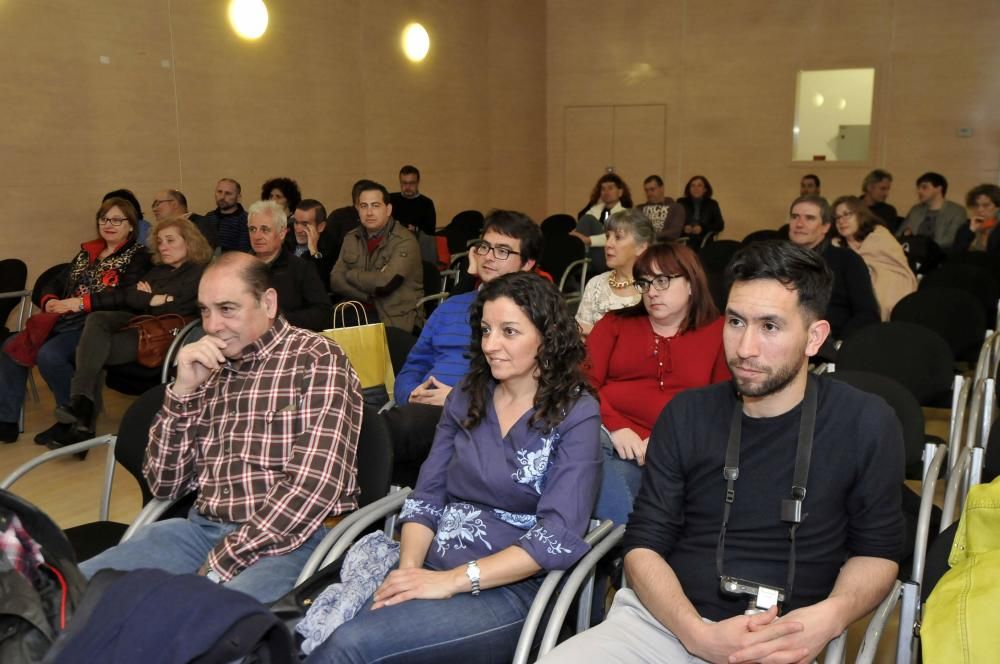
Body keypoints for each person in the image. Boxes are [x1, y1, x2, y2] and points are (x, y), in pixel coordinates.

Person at [538, 241, 904, 664]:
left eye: (770, 326)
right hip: (664, 624)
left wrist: (829, 617)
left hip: (783, 637)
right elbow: (643, 545)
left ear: (814, 337)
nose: (745, 347)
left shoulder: (865, 423)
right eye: (735, 322)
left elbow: (877, 552)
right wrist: (696, 634)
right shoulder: (686, 414)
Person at [305, 272, 602, 664]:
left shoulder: (576, 413)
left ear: (546, 338)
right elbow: (427, 495)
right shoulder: (467, 394)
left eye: (509, 332)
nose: (492, 345)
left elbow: (556, 536)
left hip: (508, 587)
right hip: (428, 562)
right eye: (486, 330)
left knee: (350, 646)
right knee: (324, 630)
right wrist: (409, 573)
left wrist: (447, 582)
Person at [78, 252, 363, 603]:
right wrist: (182, 393)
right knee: (80, 589)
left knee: (208, 629)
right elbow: (164, 483)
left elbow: (313, 487)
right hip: (203, 529)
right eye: (204, 310)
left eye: (227, 309)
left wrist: (225, 558)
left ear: (268, 303)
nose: (212, 325)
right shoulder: (211, 366)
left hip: (293, 538)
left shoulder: (317, 359)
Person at [385, 210, 544, 486]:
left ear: (528, 263)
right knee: (371, 427)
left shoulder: (531, 314)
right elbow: (414, 365)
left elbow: (529, 384)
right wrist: (411, 393)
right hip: (420, 408)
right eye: (485, 247)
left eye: (504, 251)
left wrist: (457, 398)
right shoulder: (450, 308)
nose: (490, 256)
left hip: (476, 413)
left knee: (387, 433)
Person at [586, 242, 730, 525]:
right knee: (589, 449)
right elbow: (582, 383)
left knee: (618, 480)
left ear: (691, 283)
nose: (652, 292)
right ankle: (637, 547)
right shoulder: (615, 323)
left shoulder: (720, 331)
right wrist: (615, 426)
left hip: (680, 447)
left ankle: (629, 547)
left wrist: (669, 439)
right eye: (645, 283)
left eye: (662, 281)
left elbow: (723, 402)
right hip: (608, 437)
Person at [0, 198, 150, 445]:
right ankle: (7, 421)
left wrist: (80, 303)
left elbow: (126, 297)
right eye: (103, 219)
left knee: (51, 355)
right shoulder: (88, 251)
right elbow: (56, 281)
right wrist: (49, 299)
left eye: (116, 220)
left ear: (131, 226)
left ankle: (72, 420)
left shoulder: (139, 256)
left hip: (99, 325)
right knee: (10, 346)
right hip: (63, 318)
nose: (108, 225)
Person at [54, 217, 213, 441]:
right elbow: (131, 296)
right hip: (139, 320)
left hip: (164, 332)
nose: (163, 246)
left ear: (189, 242)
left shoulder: (200, 272)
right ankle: (82, 404)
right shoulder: (160, 270)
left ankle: (82, 415)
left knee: (90, 352)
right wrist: (156, 299)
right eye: (160, 241)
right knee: (97, 319)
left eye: (170, 240)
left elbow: (184, 305)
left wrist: (148, 297)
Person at [330, 181, 424, 332]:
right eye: (364, 206)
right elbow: (335, 280)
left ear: (388, 209)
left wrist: (350, 274)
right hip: (357, 309)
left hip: (394, 318)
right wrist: (366, 296)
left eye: (375, 205)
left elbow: (385, 284)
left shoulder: (405, 241)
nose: (369, 212)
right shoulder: (351, 237)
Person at [787, 195, 880, 342]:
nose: (799, 224)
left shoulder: (847, 260)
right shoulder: (776, 260)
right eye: (794, 217)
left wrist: (839, 347)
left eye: (809, 218)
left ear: (825, 226)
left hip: (828, 346)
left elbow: (867, 314)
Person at [248, 200, 332, 331]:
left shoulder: (301, 269)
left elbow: (323, 314)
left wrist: (278, 320)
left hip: (288, 342)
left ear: (282, 233)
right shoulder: (240, 268)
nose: (257, 236)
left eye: (265, 229)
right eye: (252, 229)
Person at [831, 195, 916, 320]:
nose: (841, 221)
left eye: (847, 214)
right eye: (837, 217)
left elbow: (895, 267)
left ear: (860, 215)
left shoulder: (879, 235)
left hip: (889, 283)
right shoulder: (835, 244)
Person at [575, 209, 653, 335]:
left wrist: (593, 331)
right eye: (607, 237)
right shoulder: (596, 284)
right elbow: (580, 334)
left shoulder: (654, 288)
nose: (608, 244)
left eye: (618, 237)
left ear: (641, 247)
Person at [573, 173, 634, 274]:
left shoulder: (625, 214)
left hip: (610, 254)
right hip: (591, 252)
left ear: (620, 192)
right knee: (586, 219)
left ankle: (575, 268)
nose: (606, 192)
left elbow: (618, 237)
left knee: (588, 219)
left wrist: (589, 240)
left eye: (610, 188)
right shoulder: (593, 211)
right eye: (603, 189)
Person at [896, 171, 967, 251]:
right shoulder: (915, 209)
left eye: (924, 187)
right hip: (913, 253)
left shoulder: (957, 211)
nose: (919, 191)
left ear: (939, 189)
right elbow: (899, 234)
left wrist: (919, 246)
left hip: (940, 256)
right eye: (918, 188)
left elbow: (950, 240)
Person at [285, 199, 336, 289]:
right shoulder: (287, 237)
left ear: (321, 227)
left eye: (305, 224)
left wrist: (313, 250)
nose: (298, 229)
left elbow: (319, 283)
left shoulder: (331, 246)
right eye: (296, 222)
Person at [198, 178, 250, 252]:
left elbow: (244, 252)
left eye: (228, 193)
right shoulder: (209, 217)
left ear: (238, 197)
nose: (222, 197)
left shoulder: (246, 220)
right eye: (219, 192)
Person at [678, 175, 725, 248]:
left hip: (704, 239)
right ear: (689, 189)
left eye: (699, 185)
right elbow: (674, 221)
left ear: (705, 189)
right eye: (692, 186)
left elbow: (720, 225)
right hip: (684, 238)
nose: (695, 188)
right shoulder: (681, 202)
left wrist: (702, 228)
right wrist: (683, 227)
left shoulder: (712, 204)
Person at [389, 165, 437, 236]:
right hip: (393, 240)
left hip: (417, 241)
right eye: (404, 183)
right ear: (400, 182)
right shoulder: (390, 199)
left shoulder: (427, 203)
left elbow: (430, 231)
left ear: (418, 182)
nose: (408, 187)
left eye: (412, 183)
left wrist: (415, 229)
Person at [953, 184, 1000, 254]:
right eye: (976, 205)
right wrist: (970, 231)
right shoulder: (966, 227)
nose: (980, 210)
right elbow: (956, 254)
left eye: (986, 205)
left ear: (998, 207)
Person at [638, 175, 686, 240]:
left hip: (665, 246)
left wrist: (651, 236)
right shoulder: (639, 209)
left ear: (662, 188)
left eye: (652, 189)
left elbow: (674, 232)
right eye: (646, 190)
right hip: (643, 246)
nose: (649, 193)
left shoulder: (676, 208)